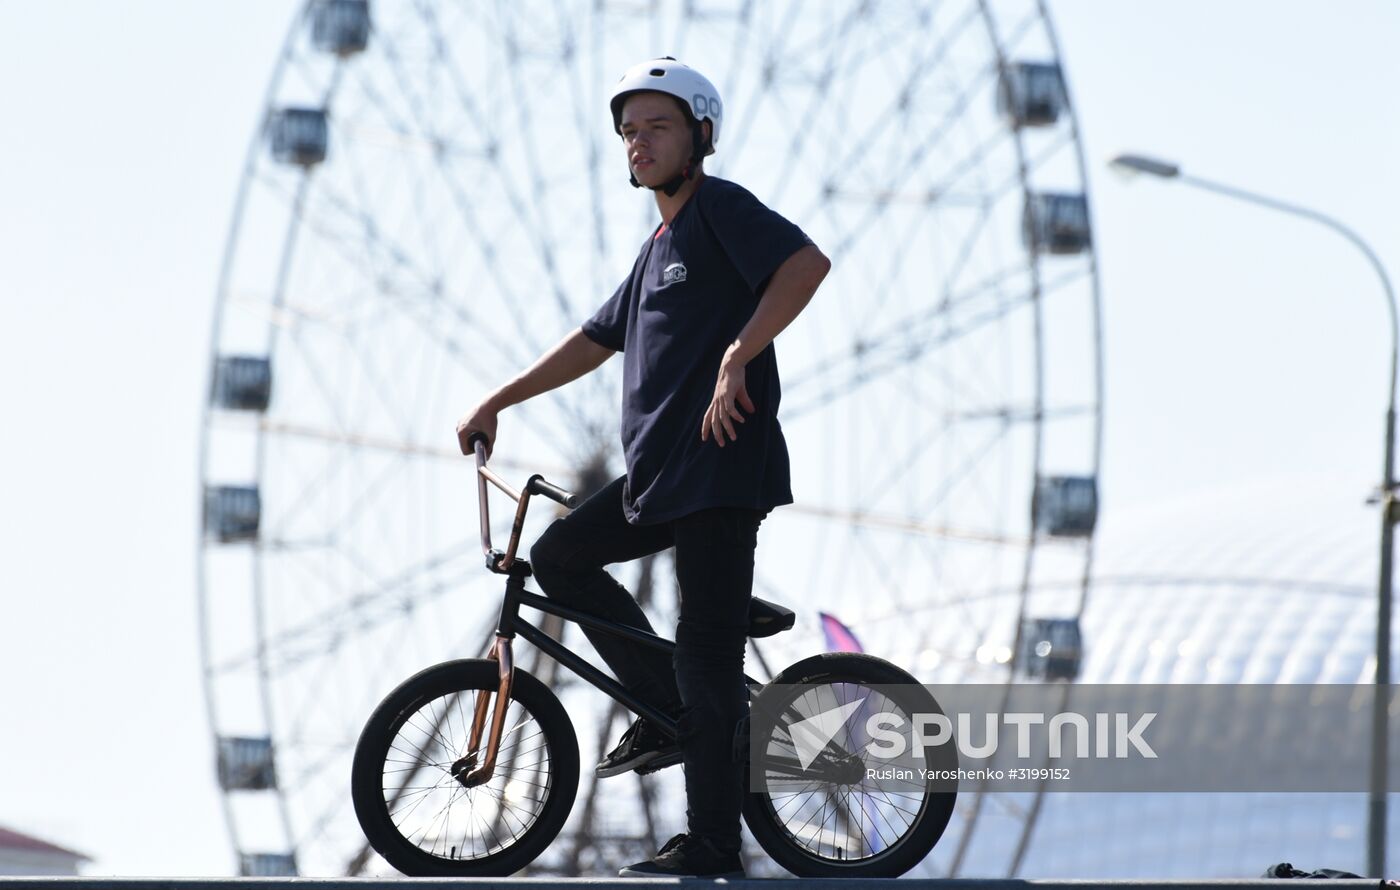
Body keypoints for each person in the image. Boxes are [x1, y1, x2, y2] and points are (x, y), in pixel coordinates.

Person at [455, 56, 831, 879]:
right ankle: (670, 710)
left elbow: (805, 265)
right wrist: (500, 399)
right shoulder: (656, 248)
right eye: (629, 131)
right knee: (557, 556)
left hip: (719, 472)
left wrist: (740, 354)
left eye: (657, 126)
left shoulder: (719, 210)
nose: (639, 143)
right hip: (658, 478)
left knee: (703, 657)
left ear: (702, 131)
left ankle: (712, 845)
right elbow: (595, 341)